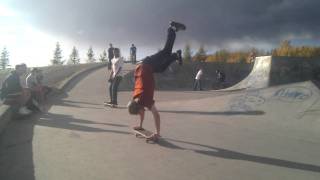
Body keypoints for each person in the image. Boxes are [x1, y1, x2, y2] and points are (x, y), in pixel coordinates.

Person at [127, 21, 186, 141]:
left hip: (147, 65)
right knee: (162, 68)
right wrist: (141, 126)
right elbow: (142, 112)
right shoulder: (136, 99)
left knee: (165, 52)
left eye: (139, 112)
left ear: (139, 107)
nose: (141, 113)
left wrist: (157, 134)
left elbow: (156, 115)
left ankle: (172, 28)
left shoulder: (145, 100)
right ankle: (176, 56)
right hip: (144, 68)